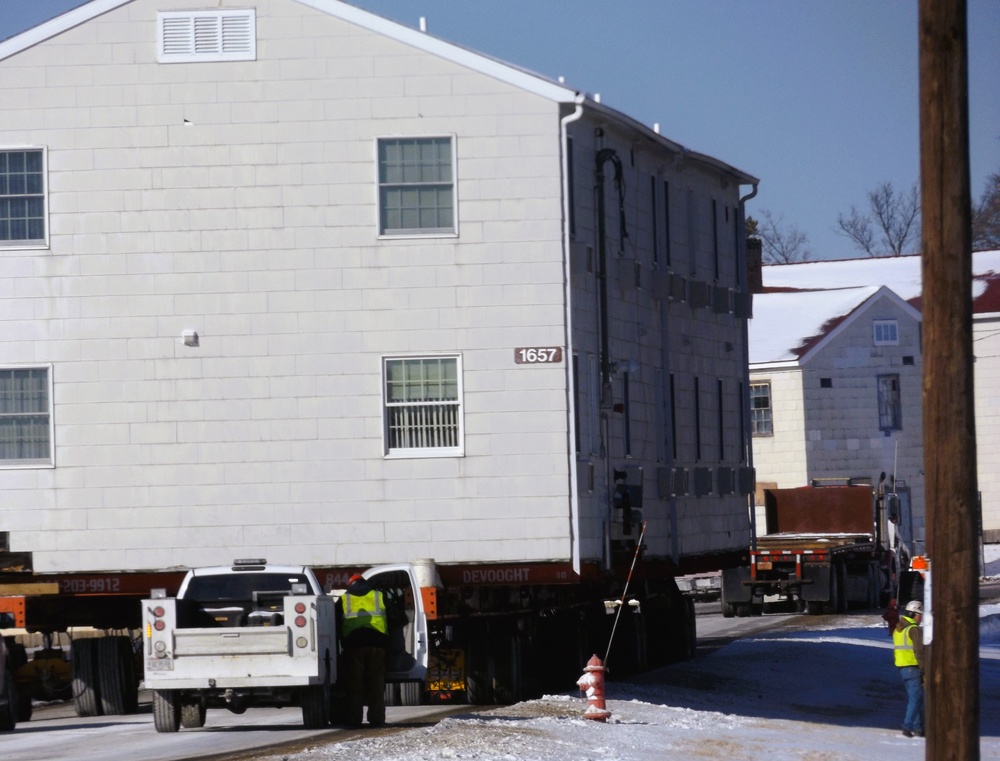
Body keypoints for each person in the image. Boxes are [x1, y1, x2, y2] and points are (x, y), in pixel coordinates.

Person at [339, 573, 389, 728]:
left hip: (353, 646)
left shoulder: (343, 599)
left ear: (350, 584)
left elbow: (333, 622)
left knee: (355, 685)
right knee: (376, 684)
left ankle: (354, 720)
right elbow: (398, 617)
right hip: (377, 645)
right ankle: (376, 719)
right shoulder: (379, 596)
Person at [892, 599, 925, 738]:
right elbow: (919, 651)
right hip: (913, 667)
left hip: (902, 668)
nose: (921, 618)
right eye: (919, 615)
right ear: (913, 614)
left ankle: (918, 728)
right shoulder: (913, 629)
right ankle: (907, 727)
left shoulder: (898, 628)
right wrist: (925, 670)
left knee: (914, 698)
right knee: (915, 699)